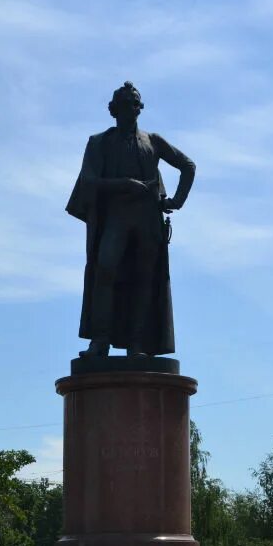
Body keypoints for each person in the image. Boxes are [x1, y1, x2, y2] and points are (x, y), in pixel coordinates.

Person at [66, 82, 195, 358]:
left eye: (134, 104)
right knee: (105, 271)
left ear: (140, 109)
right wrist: (125, 184)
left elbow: (188, 166)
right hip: (115, 217)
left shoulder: (153, 141)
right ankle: (100, 341)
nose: (129, 110)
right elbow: (88, 180)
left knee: (144, 280)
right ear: (113, 110)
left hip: (148, 221)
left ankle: (137, 344)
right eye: (123, 105)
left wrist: (176, 201)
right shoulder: (99, 142)